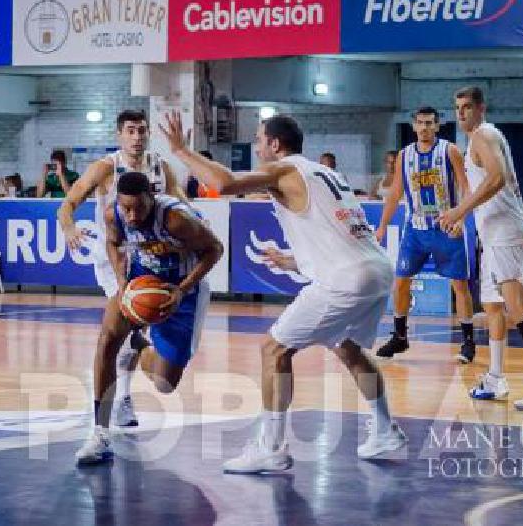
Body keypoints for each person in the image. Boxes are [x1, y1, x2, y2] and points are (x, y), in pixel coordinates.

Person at [160, 111, 407, 473]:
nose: (257, 146)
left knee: (273, 348)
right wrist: (294, 259)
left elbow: (225, 184)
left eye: (260, 139)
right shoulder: (325, 173)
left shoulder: (284, 170)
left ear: (275, 145)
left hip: (348, 278)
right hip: (377, 269)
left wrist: (181, 151)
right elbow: (338, 235)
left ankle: (270, 447)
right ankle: (385, 430)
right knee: (349, 349)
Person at [74, 172, 223, 464]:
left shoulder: (175, 220)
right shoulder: (113, 214)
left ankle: (141, 345)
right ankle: (100, 433)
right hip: (141, 279)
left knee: (165, 384)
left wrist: (181, 291)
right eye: (125, 208)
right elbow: (113, 243)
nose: (130, 216)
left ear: (151, 199)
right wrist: (122, 283)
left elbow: (214, 249)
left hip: (183, 287)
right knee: (106, 341)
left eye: (138, 208)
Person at [439, 86, 523, 410]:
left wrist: (459, 210)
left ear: (481, 108)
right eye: (457, 108)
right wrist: (466, 217)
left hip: (504, 233)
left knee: (516, 306)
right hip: (494, 231)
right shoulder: (479, 140)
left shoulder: (484, 135)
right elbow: (495, 183)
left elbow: (496, 179)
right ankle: (496, 378)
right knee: (493, 306)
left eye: (467, 107)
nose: (461, 113)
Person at [59, 109, 187, 429]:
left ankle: (123, 396)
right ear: (119, 135)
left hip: (150, 260)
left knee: (134, 329)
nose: (137, 136)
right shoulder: (105, 168)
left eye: (142, 130)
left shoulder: (161, 168)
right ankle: (120, 400)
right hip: (113, 259)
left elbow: (183, 206)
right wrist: (69, 228)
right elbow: (67, 204)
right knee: (129, 324)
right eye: (130, 131)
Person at [374, 106, 476, 363]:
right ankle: (399, 336)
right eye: (420, 123)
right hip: (415, 228)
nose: (424, 128)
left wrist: (461, 217)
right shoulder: (404, 156)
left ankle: (468, 341)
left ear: (438, 126)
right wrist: (383, 226)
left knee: (459, 285)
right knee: (400, 281)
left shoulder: (449, 150)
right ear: (413, 126)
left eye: (429, 123)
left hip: (445, 226)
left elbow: (465, 187)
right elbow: (396, 193)